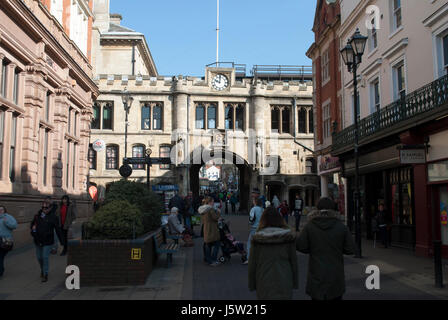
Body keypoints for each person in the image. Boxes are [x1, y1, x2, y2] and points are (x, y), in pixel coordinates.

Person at [296, 197, 355, 300]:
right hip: (335, 276)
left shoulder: (310, 226)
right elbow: (350, 249)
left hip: (316, 274)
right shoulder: (341, 226)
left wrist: (313, 247)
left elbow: (301, 246)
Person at [248, 205, 298, 300]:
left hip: (263, 280)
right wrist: (294, 282)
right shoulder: (288, 238)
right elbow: (293, 262)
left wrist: (252, 284)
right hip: (285, 279)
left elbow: (252, 264)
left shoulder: (257, 239)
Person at [31, 202, 64, 282]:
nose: (44, 209)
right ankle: (42, 269)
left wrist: (62, 242)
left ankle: (45, 274)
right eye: (43, 208)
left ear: (50, 208)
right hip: (38, 240)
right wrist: (33, 232)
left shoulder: (53, 217)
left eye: (46, 208)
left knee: (45, 257)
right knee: (39, 258)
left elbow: (58, 230)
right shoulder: (37, 216)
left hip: (48, 241)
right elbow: (32, 226)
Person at [198, 196, 221, 267]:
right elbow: (215, 217)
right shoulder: (210, 209)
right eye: (213, 201)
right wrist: (218, 212)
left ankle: (207, 259)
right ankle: (212, 260)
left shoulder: (203, 209)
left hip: (206, 228)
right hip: (212, 228)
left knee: (208, 244)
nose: (213, 203)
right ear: (210, 202)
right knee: (217, 244)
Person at [244, 198, 264, 265]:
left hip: (254, 228)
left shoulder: (254, 209)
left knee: (249, 244)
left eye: (253, 201)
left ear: (255, 202)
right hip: (261, 228)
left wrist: (250, 222)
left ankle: (249, 258)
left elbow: (251, 219)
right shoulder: (262, 209)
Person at [0, 205, 17, 278]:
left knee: (0, 256)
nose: (0, 211)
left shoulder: (8, 217)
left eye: (1, 209)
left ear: (5, 210)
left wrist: (6, 222)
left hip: (5, 241)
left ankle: (0, 272)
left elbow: (14, 226)